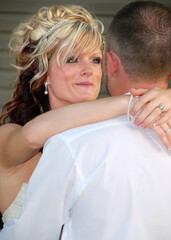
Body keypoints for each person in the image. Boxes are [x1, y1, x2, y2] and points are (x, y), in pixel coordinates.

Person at [0, 2, 171, 239]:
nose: (88, 69)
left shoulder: (109, 140)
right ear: (43, 73)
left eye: (95, 60)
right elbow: (33, 135)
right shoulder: (9, 136)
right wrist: (130, 101)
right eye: (72, 59)